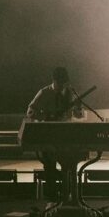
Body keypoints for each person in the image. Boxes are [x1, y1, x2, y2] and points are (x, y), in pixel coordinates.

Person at [26, 66, 84, 199]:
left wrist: (79, 107)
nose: (62, 86)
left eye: (64, 83)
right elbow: (30, 112)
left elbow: (79, 116)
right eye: (59, 83)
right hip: (49, 135)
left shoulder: (70, 93)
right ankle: (51, 195)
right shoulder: (44, 93)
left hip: (66, 135)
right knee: (49, 165)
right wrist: (47, 116)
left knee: (68, 165)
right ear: (54, 80)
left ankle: (67, 194)